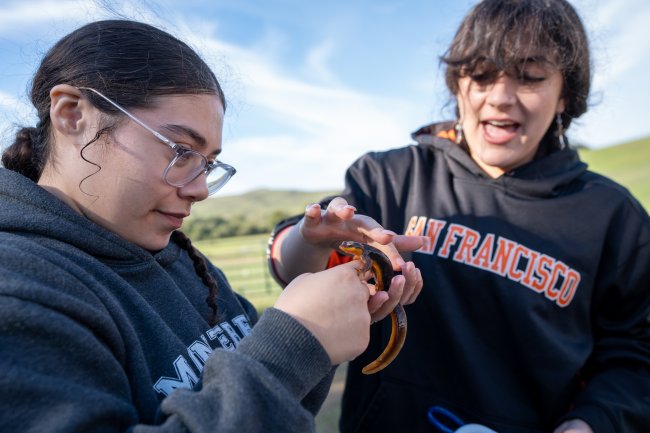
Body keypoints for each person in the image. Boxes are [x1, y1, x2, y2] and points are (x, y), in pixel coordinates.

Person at [0, 19, 421, 432]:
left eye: (208, 163)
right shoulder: (17, 290)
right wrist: (295, 345)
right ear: (72, 114)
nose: (201, 190)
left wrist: (323, 314)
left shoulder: (180, 259)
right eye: (181, 150)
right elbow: (271, 371)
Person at [268, 0, 650, 432]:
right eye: (482, 75)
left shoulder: (614, 218)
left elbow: (634, 358)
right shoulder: (389, 178)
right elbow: (294, 266)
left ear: (566, 92)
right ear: (456, 82)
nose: (501, 97)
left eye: (530, 76)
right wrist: (311, 239)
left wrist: (589, 425)